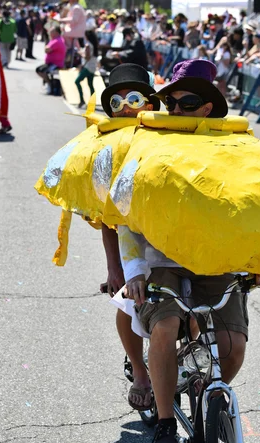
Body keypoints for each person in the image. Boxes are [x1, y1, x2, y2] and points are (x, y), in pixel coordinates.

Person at [121, 59, 260, 443]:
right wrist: (134, 270)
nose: (176, 110)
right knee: (165, 323)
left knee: (233, 345)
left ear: (207, 107)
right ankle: (164, 423)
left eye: (187, 103)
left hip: (217, 258)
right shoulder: (149, 144)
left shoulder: (234, 148)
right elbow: (124, 212)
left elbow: (255, 206)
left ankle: (209, 396)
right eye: (170, 103)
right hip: (163, 258)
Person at [100, 64, 160, 411]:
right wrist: (114, 267)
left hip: (171, 232)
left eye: (134, 98)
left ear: (150, 103)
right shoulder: (107, 148)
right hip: (130, 235)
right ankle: (140, 371)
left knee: (193, 306)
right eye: (117, 102)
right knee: (128, 300)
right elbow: (106, 217)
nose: (126, 106)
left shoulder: (169, 134)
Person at [36, 26, 66, 94]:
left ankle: (49, 84)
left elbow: (47, 50)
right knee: (39, 69)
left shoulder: (57, 41)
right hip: (51, 63)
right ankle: (49, 83)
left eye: (52, 31)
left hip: (56, 64)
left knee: (41, 71)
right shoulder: (54, 40)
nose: (49, 32)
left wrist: (46, 47)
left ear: (57, 33)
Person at [75, 30, 98, 108]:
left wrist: (81, 53)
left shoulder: (88, 45)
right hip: (93, 67)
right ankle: (92, 102)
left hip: (88, 67)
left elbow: (87, 57)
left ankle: (82, 100)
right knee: (90, 85)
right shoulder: (94, 45)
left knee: (77, 81)